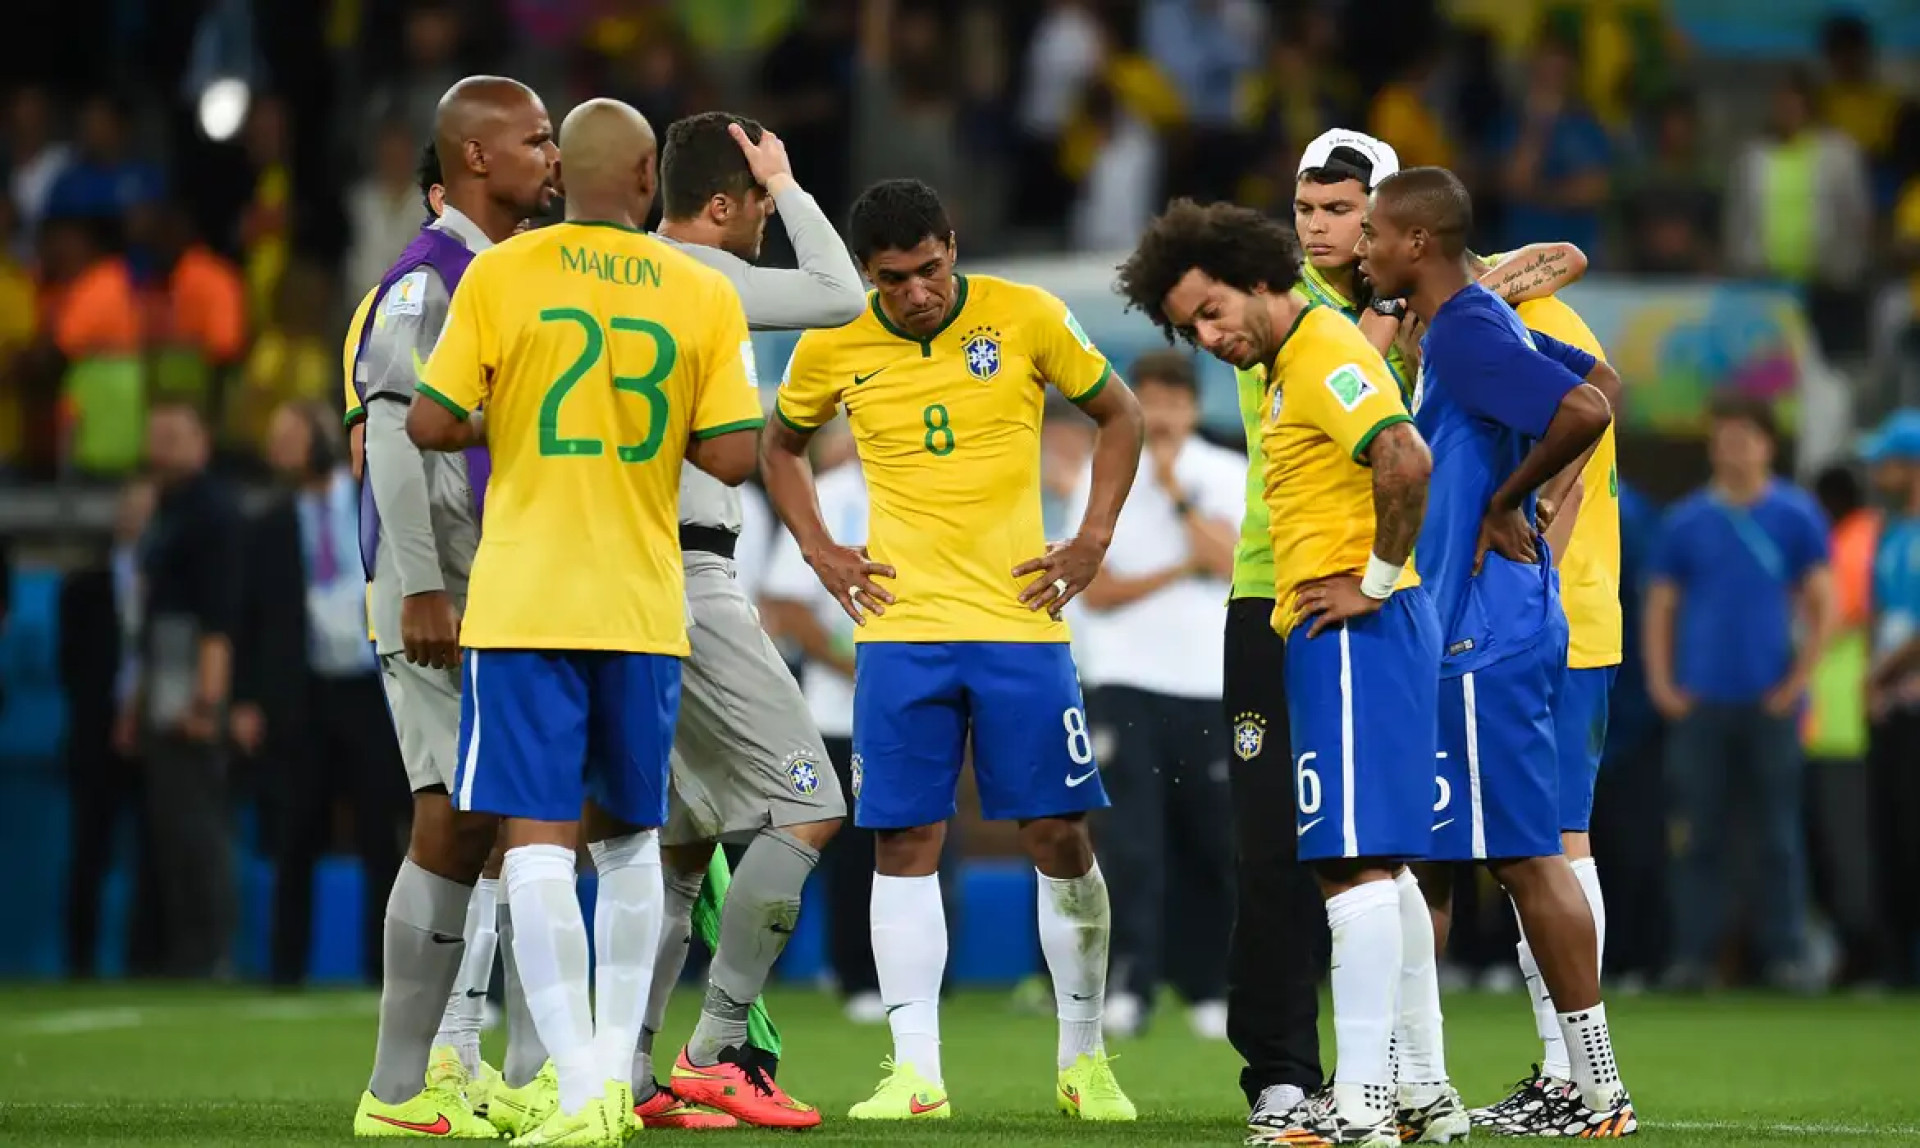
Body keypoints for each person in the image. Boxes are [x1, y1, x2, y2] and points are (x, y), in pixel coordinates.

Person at [408, 96, 765, 1147]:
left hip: (525, 597)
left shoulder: (503, 271)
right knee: (627, 845)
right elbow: (736, 454)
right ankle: (616, 1076)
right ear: (650, 174)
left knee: (531, 842)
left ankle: (572, 1092)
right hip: (644, 600)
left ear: (561, 172)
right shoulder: (699, 290)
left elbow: (429, 419)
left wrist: (511, 412)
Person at [760, 177, 1146, 1122]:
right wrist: (819, 547)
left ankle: (1085, 1057)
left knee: (1058, 835)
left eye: (930, 270)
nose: (918, 293)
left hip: (1020, 621)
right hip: (899, 630)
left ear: (953, 243)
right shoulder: (834, 343)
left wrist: (1093, 535)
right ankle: (916, 1073)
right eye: (894, 281)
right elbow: (780, 445)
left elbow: (1122, 415)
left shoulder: (1027, 315)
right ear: (867, 274)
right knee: (904, 838)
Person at [1118, 199, 1455, 1147]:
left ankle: (1356, 1103)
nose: (1210, 336)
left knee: (1347, 866)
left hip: (1350, 622)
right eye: (1192, 328)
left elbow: (1405, 454)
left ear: (1262, 278)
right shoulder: (1287, 363)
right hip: (1346, 624)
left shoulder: (1321, 352)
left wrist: (1377, 581)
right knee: (1381, 863)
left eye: (1215, 311)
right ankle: (1419, 1089)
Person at [1359, 166, 1636, 1137]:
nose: (1364, 249)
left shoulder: (1471, 329)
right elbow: (1596, 381)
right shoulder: (1465, 326)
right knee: (1426, 860)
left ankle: (1599, 1087)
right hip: (1456, 624)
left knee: (1524, 857)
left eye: (1376, 234)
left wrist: (1501, 499)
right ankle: (1407, 1082)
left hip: (1486, 629)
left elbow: (1591, 409)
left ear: (1419, 244)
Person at [629, 109, 866, 1130]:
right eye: (760, 198)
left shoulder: (618, 273)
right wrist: (796, 181)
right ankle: (718, 1042)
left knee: (681, 850)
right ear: (721, 202)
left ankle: (629, 1070)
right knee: (810, 803)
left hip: (630, 571)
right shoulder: (700, 273)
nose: (769, 213)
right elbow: (842, 294)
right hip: (694, 572)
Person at [349, 76, 558, 1140]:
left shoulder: (502, 274)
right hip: (439, 582)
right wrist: (422, 581)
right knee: (451, 812)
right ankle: (397, 1090)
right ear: (474, 156)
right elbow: (386, 432)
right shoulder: (428, 278)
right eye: (534, 139)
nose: (552, 154)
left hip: (495, 579)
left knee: (480, 818)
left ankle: (446, 1064)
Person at [1464, 260, 1623, 1130]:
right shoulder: (1530, 311)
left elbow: (1585, 424)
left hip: (1550, 617)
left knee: (1552, 844)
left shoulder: (1512, 325)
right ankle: (1570, 1072)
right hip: (1569, 612)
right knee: (1546, 842)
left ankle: (1578, 1077)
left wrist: (1526, 539)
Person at [1067, 349, 1241, 1042]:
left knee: (1212, 840)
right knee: (1131, 845)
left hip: (1207, 681)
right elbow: (1099, 591)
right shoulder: (1100, 470)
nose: (1163, 415)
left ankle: (1208, 986)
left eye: (1174, 400)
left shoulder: (1227, 473)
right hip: (1125, 680)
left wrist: (1172, 487)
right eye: (1150, 400)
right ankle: (1129, 985)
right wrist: (1177, 567)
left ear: (1194, 407)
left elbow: (1229, 563)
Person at [1644, 396, 1832, 994]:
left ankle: (1785, 957)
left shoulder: (1796, 516)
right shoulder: (1686, 521)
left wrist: (1798, 682)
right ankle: (1695, 958)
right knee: (1699, 833)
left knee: (1777, 835)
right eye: (1722, 437)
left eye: (1744, 436)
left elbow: (1826, 604)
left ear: (1767, 444)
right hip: (1701, 701)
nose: (1732, 448)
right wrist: (1662, 683)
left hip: (1770, 700)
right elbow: (1661, 606)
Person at [239, 401, 407, 987]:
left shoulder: (366, 498)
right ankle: (286, 967)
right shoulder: (270, 522)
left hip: (367, 686)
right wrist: (248, 698)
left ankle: (382, 967)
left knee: (378, 829)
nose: (278, 448)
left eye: (288, 435)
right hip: (304, 692)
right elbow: (252, 618)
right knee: (296, 829)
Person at [117, 400, 242, 980]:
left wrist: (207, 700)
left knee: (197, 823)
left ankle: (211, 948)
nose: (161, 445)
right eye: (155, 434)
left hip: (191, 673)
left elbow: (218, 613)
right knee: (169, 824)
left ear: (202, 442)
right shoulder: (163, 510)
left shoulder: (211, 511)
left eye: (174, 434)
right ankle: (181, 946)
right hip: (164, 669)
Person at [1861, 411, 1920, 987]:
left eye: (1888, 462)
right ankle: (1898, 964)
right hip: (1893, 705)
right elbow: (1882, 616)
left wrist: (1876, 675)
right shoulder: (1893, 530)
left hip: (1906, 696)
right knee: (1893, 834)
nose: (1878, 471)